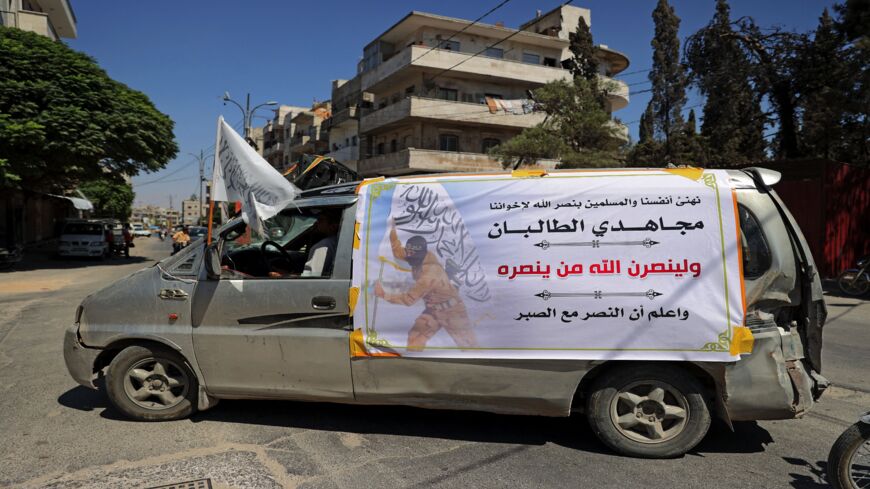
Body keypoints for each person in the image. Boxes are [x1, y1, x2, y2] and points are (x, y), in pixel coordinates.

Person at [374, 221, 479, 351]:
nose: (407, 256)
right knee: (415, 337)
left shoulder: (429, 273)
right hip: (433, 311)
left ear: (419, 254)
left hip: (453, 311)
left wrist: (384, 295)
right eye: (408, 251)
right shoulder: (419, 255)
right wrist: (392, 231)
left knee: (470, 347)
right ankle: (414, 367)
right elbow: (398, 252)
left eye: (411, 253)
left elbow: (408, 300)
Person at [269, 209, 341, 278]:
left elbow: (309, 279)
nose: (316, 223)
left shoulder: (323, 246)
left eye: (321, 220)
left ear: (333, 226)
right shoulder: (337, 243)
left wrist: (282, 276)